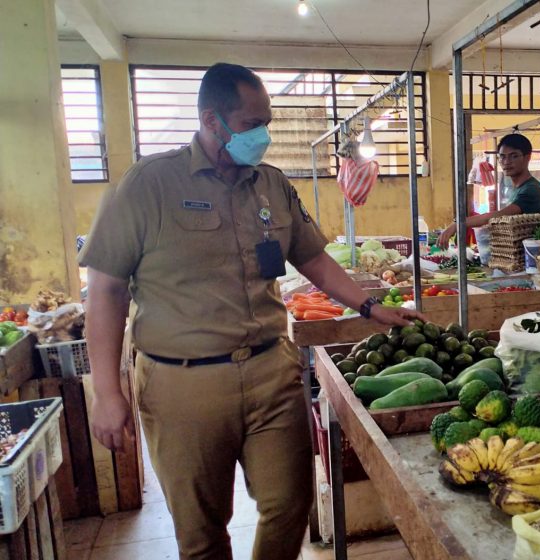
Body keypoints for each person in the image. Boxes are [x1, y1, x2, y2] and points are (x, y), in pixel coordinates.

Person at [79, 62, 425, 560]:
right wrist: (107, 393)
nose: (261, 135)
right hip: (183, 386)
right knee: (201, 532)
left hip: (271, 372)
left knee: (289, 504)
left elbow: (311, 257)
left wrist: (370, 306)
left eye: (266, 122)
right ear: (210, 120)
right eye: (249, 124)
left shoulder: (272, 185)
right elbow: (106, 293)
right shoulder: (147, 186)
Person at [437, 133, 540, 248]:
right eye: (502, 157)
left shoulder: (532, 190)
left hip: (530, 255)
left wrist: (458, 224)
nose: (506, 162)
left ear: (527, 157)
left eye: (513, 156)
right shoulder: (518, 188)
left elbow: (499, 215)